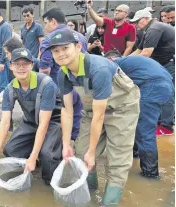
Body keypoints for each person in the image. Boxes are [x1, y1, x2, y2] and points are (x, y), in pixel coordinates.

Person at [49, 29, 140, 205]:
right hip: (92, 108)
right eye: (55, 51)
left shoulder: (99, 69)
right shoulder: (63, 74)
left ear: (78, 47)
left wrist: (93, 152)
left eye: (64, 48)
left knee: (117, 161)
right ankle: (88, 195)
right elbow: (67, 111)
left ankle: (108, 203)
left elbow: (100, 117)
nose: (60, 54)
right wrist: (66, 144)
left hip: (122, 108)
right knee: (81, 152)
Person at [0, 48, 81, 184]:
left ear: (32, 65)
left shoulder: (45, 84)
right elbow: (5, 122)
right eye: (17, 64)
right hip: (31, 121)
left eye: (25, 64)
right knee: (10, 149)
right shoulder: (10, 89)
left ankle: (50, 183)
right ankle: (33, 164)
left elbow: (44, 124)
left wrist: (34, 155)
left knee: (47, 154)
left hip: (53, 121)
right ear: (10, 66)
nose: (21, 68)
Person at [105, 50, 173, 179]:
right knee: (137, 121)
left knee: (145, 131)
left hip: (153, 86)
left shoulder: (115, 64)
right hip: (165, 85)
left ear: (111, 59)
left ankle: (150, 173)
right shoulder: (131, 62)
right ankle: (135, 153)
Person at [130, 8, 175, 135]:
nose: (136, 25)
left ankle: (166, 126)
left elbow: (146, 53)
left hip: (168, 63)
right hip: (162, 64)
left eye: (137, 22)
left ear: (145, 19)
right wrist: (122, 61)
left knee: (168, 92)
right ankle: (161, 122)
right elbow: (138, 51)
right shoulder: (149, 30)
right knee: (161, 91)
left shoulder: (154, 29)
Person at [40, 7, 87, 85]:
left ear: (53, 21)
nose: (45, 27)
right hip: (81, 84)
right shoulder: (81, 37)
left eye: (45, 23)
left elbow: (45, 70)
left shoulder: (48, 39)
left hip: (59, 86)